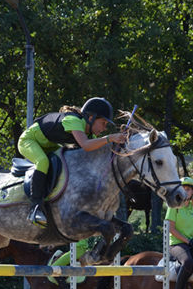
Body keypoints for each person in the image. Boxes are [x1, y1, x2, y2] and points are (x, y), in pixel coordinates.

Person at [18, 97, 128, 227]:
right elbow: (86, 145)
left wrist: (120, 141)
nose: (104, 128)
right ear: (91, 117)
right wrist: (111, 138)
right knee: (42, 161)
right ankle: (35, 208)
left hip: (49, 145)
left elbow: (95, 150)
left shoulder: (89, 133)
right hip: (29, 141)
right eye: (103, 122)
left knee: (67, 161)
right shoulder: (74, 120)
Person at [165, 176, 193, 289]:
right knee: (188, 261)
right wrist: (188, 241)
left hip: (190, 242)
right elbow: (171, 228)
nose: (186, 191)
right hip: (175, 244)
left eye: (189, 189)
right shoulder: (173, 206)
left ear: (192, 192)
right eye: (184, 188)